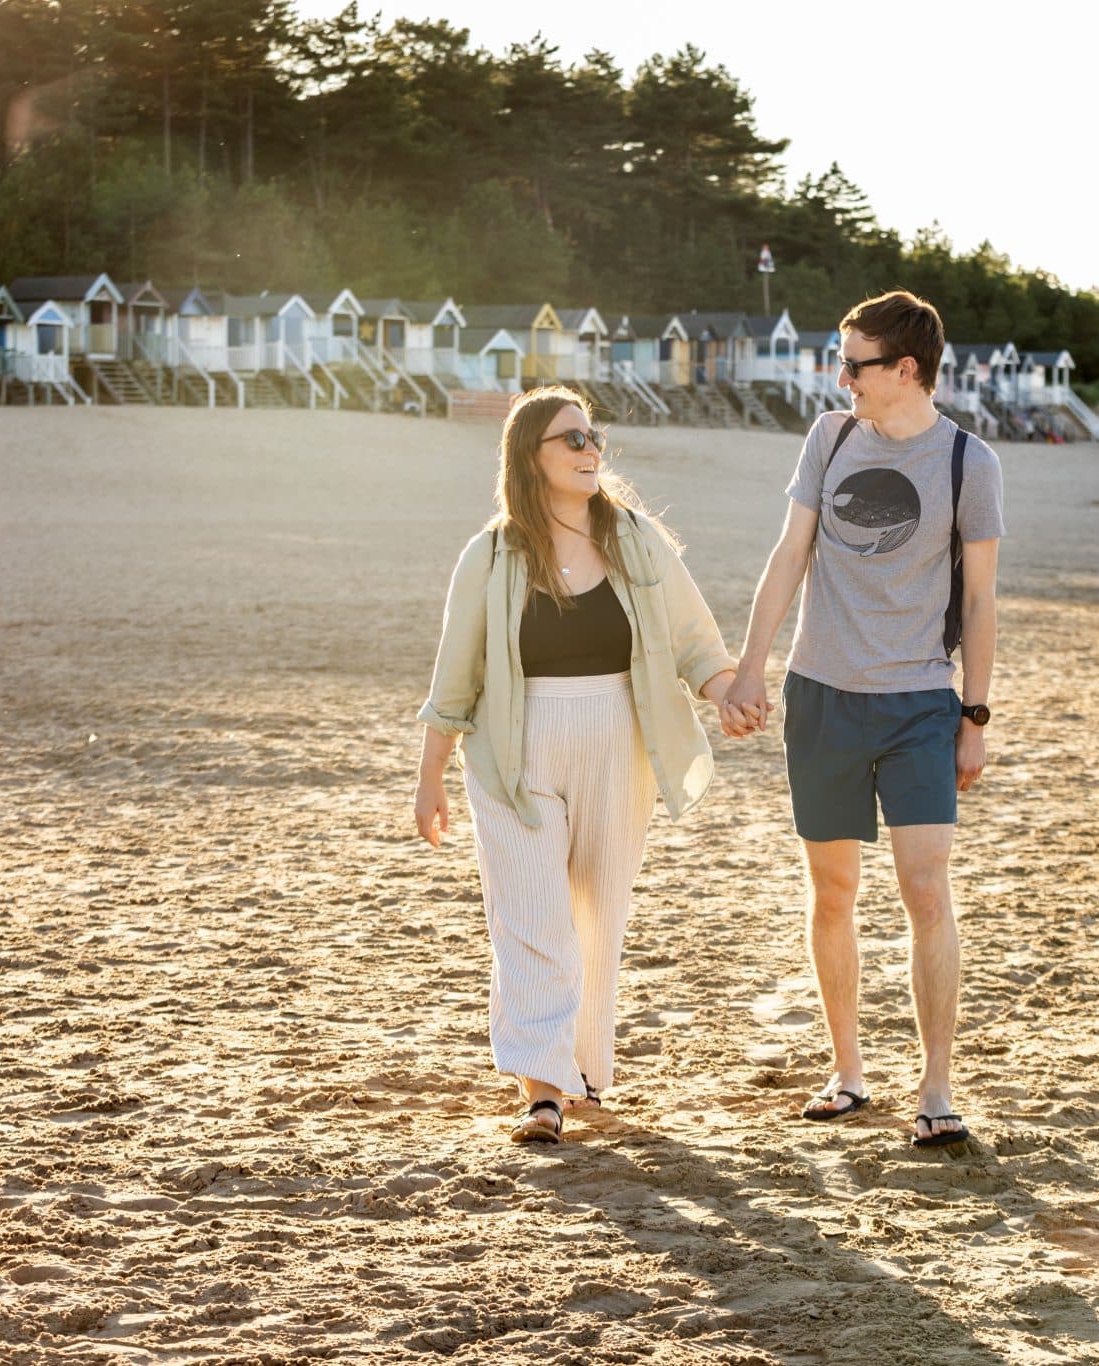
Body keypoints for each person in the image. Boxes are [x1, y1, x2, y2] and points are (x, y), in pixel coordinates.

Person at [414, 387, 751, 1144]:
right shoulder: (492, 552)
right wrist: (430, 775)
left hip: (616, 736)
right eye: (570, 439)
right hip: (514, 744)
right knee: (532, 915)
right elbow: (454, 675)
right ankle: (542, 1089)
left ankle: (583, 1068)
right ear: (529, 459)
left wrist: (729, 693)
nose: (589, 448)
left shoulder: (635, 538)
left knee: (599, 912)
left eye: (592, 435)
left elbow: (694, 637)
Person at [723, 290, 1004, 1149]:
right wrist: (749, 665)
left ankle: (937, 1087)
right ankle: (848, 1073)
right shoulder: (830, 437)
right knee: (834, 891)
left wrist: (975, 715)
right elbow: (788, 555)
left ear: (905, 370)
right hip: (821, 697)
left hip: (920, 703)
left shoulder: (968, 463)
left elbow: (984, 598)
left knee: (925, 886)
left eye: (854, 363)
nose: (839, 375)